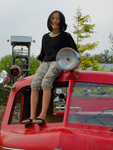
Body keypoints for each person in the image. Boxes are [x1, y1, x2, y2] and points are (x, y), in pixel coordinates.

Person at [22, 10, 78, 126]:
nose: (55, 21)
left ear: (61, 21)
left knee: (46, 81)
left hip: (58, 62)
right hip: (45, 62)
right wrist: (41, 67)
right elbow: (43, 54)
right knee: (35, 84)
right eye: (53, 18)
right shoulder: (45, 37)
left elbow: (74, 53)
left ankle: (42, 115)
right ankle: (32, 116)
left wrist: (69, 66)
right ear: (49, 21)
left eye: (57, 18)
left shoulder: (66, 36)